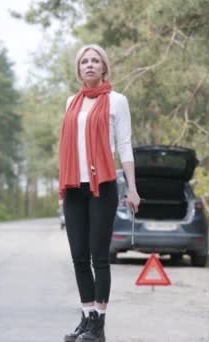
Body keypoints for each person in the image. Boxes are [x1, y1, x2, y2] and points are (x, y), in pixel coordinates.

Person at [59, 44, 140, 342]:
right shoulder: (71, 102)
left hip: (102, 186)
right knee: (78, 257)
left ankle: (100, 324)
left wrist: (132, 188)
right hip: (73, 187)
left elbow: (124, 146)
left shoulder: (117, 101)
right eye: (85, 61)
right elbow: (67, 146)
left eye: (95, 61)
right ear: (79, 69)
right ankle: (86, 316)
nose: (90, 65)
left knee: (98, 257)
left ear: (104, 68)